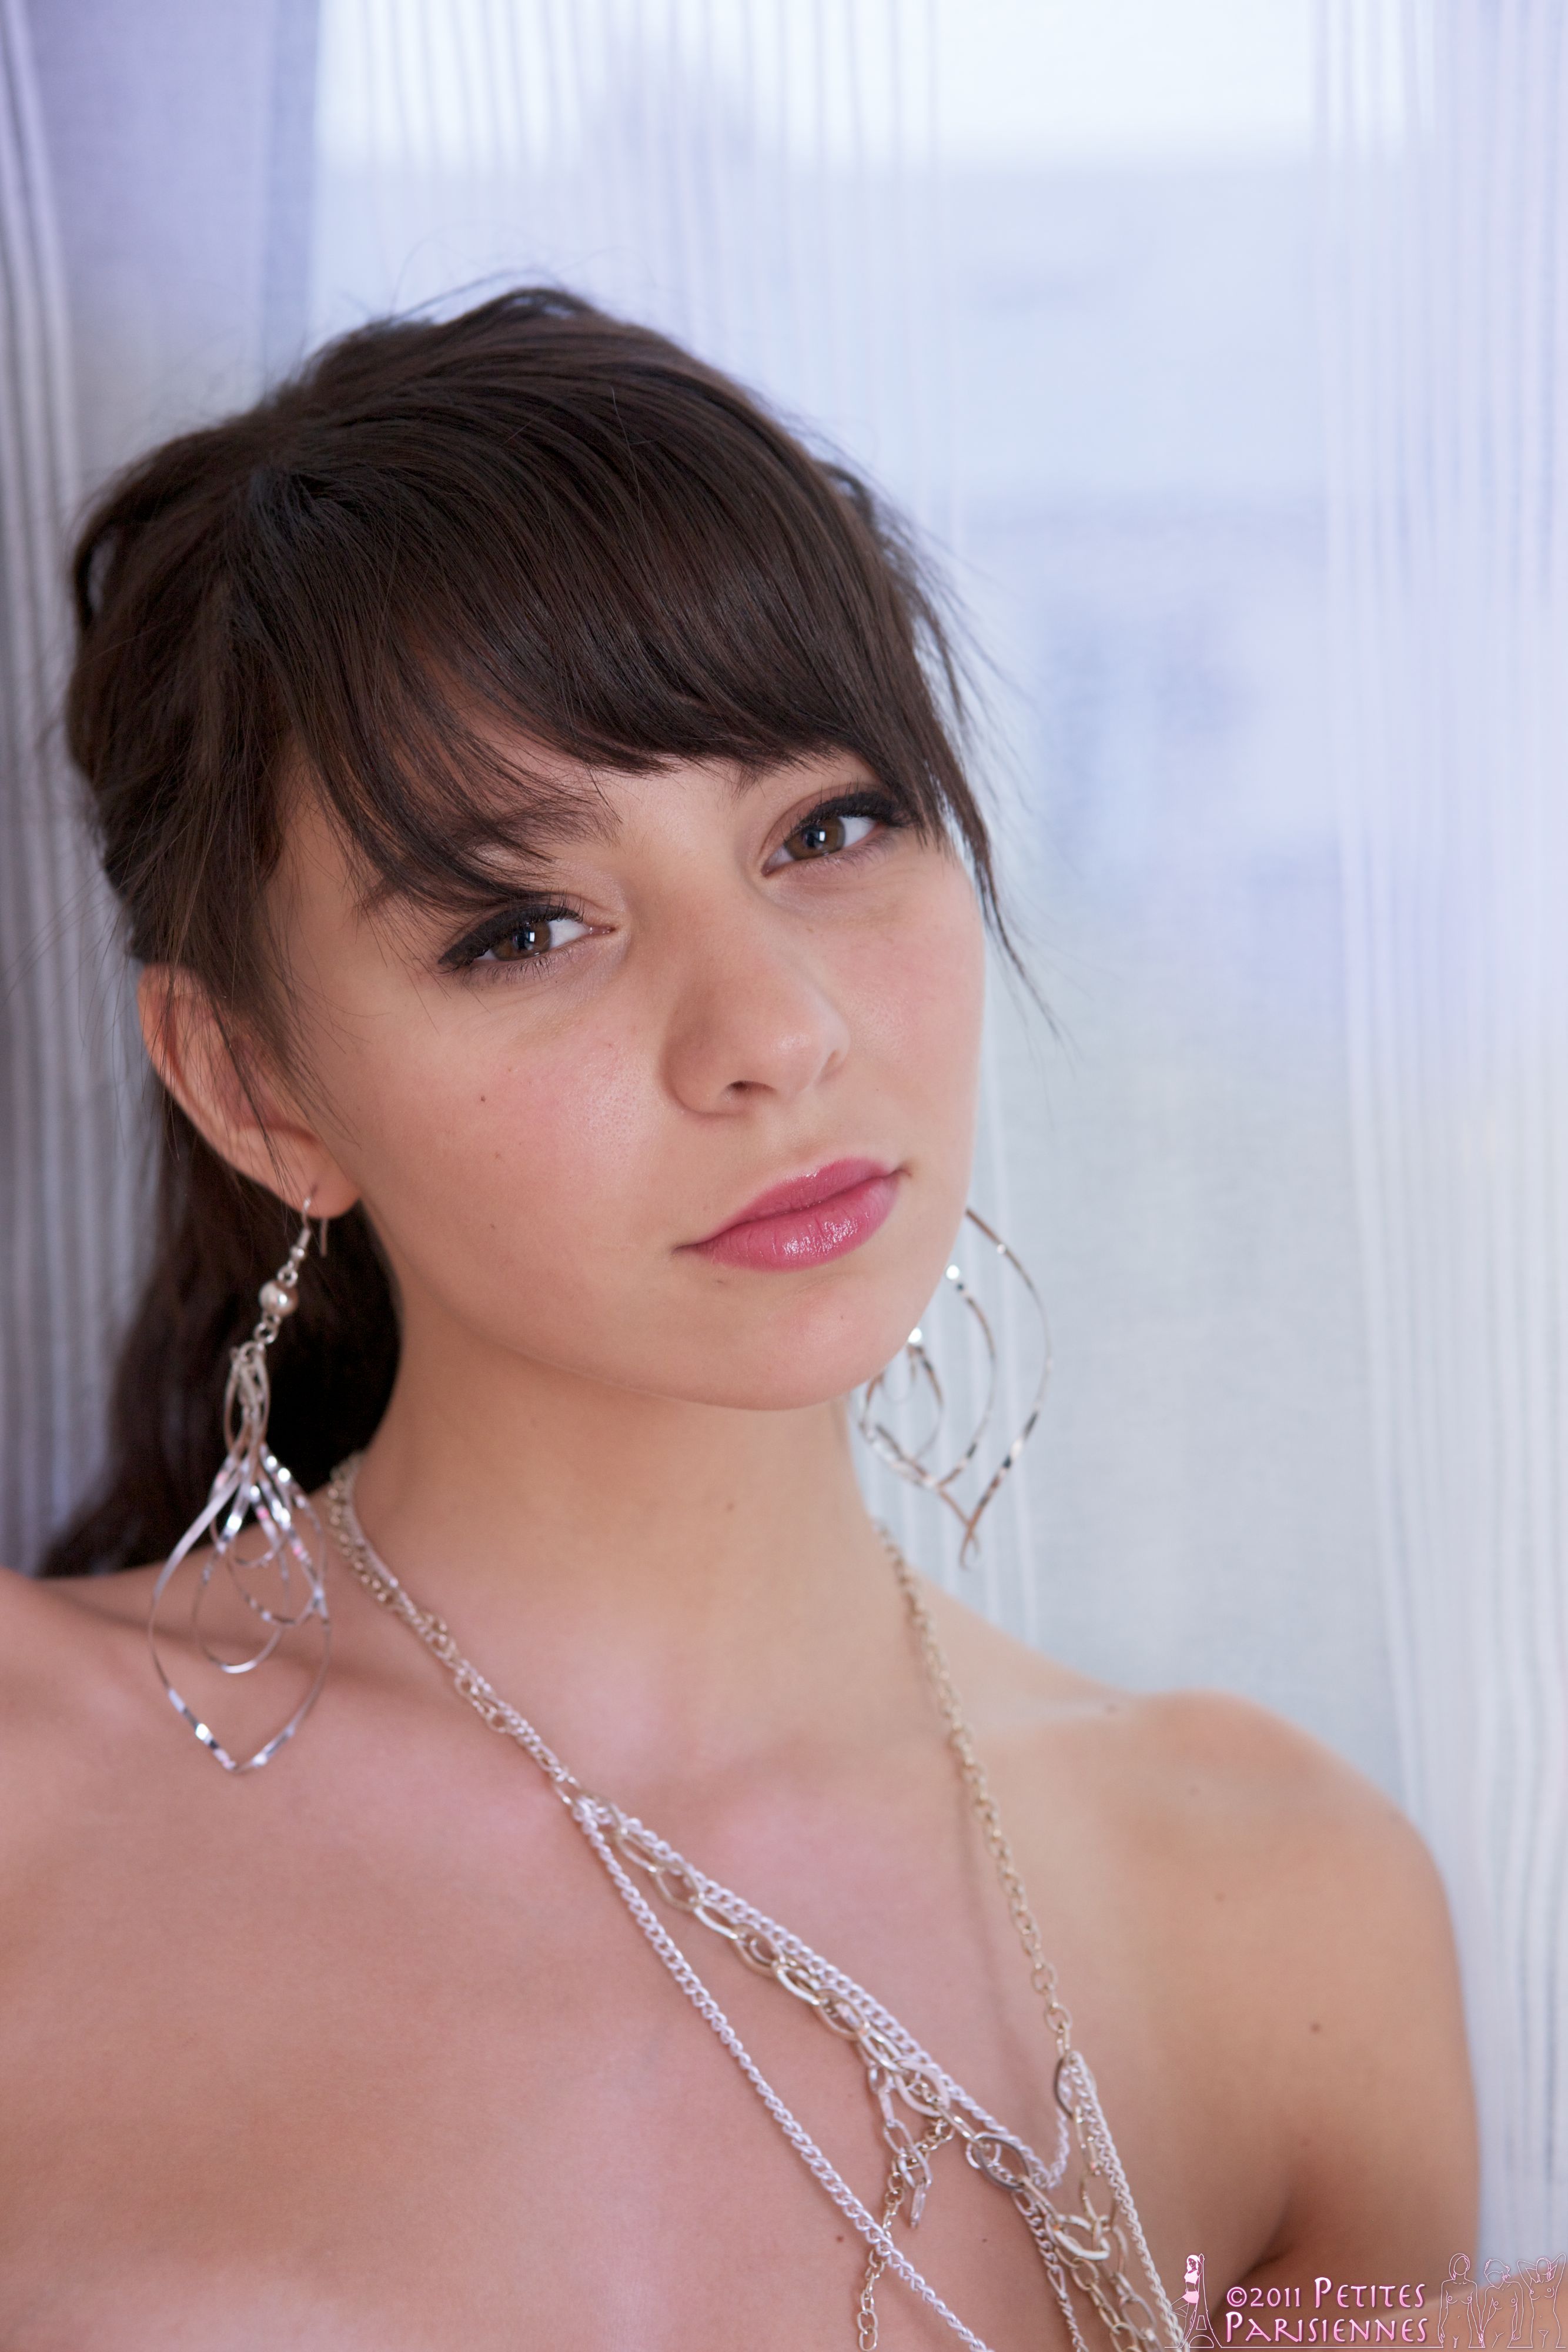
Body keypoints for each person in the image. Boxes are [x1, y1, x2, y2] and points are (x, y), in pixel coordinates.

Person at [0, 290, 1476, 2350]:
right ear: (256, 1088)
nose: (773, 1030)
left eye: (826, 829)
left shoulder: (1282, 1909)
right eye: (525, 927)